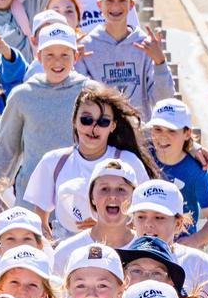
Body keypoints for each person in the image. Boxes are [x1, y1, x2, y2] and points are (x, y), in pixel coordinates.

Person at [23, 82, 155, 238]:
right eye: (86, 119)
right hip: (70, 254)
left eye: (103, 122)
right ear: (74, 120)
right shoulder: (53, 162)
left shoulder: (128, 162)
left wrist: (106, 226)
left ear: (113, 126)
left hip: (119, 254)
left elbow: (148, 216)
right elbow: (40, 220)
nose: (94, 128)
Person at [0, 22, 91, 208]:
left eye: (64, 54)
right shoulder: (23, 95)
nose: (57, 62)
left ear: (75, 56)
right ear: (38, 56)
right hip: (32, 196)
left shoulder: (90, 92)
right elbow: (7, 147)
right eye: (50, 55)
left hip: (79, 196)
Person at [77, 0, 175, 122]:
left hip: (140, 135)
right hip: (101, 136)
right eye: (109, 0)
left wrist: (160, 62)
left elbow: (163, 99)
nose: (116, 6)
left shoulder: (145, 45)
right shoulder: (87, 46)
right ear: (99, 5)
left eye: (122, 0)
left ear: (131, 4)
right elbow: (80, 98)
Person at [146, 98, 208, 248]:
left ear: (187, 133)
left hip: (179, 248)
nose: (162, 136)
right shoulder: (142, 157)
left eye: (171, 131)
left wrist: (194, 240)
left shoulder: (194, 171)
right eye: (158, 129)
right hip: (146, 245)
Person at [51, 158, 138, 276]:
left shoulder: (149, 250)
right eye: (104, 189)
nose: (112, 196)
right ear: (92, 197)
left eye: (121, 189)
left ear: (134, 198)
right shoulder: (66, 252)